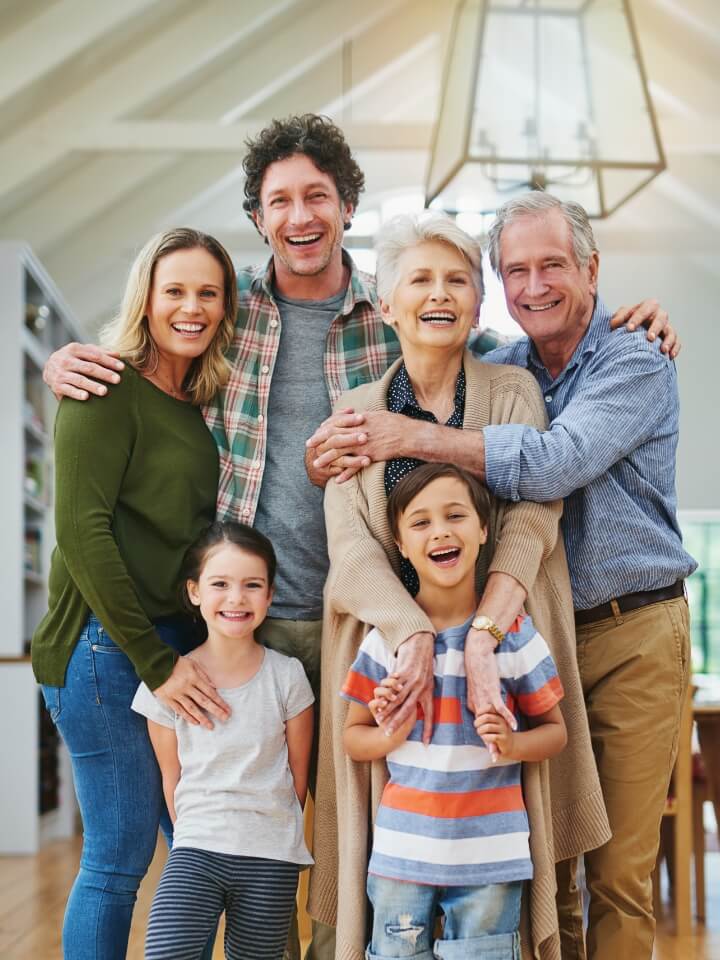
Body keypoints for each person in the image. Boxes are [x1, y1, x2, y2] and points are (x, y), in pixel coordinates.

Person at [41, 115, 676, 960]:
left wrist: (627, 311)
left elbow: (515, 414)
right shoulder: (230, 311)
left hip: (421, 635)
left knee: (460, 854)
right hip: (252, 629)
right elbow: (159, 352)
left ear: (346, 206)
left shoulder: (452, 338)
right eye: (280, 200)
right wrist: (73, 363)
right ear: (260, 217)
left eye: (318, 196)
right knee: (232, 852)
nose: (301, 215)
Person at [311, 194, 696, 960]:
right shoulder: (501, 367)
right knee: (491, 878)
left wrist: (484, 628)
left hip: (605, 632)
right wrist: (416, 631)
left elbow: (544, 482)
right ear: (385, 301)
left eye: (553, 265)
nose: (535, 284)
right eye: (516, 269)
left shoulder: (625, 357)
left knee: (609, 871)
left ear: (591, 268)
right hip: (430, 660)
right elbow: (350, 544)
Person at [31, 228, 239, 960]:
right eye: (174, 290)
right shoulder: (101, 385)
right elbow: (84, 537)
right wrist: (155, 659)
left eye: (207, 293)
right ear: (145, 297)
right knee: (118, 861)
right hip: (102, 648)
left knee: (204, 846)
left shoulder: (196, 403)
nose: (191, 307)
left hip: (173, 643)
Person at [342, 463, 567, 960]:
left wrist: (511, 744)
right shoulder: (386, 643)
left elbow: (555, 734)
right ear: (399, 544)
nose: (440, 531)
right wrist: (389, 731)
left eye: (455, 516)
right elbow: (353, 739)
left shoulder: (513, 635)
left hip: (492, 861)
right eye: (420, 522)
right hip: (401, 857)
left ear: (484, 531)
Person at [132, 521, 314, 960]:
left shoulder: (287, 676)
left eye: (252, 585)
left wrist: (269, 836)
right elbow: (170, 783)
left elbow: (298, 781)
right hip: (196, 849)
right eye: (220, 584)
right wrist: (200, 831)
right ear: (195, 592)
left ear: (270, 595)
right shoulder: (166, 686)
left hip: (270, 857)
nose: (236, 598)